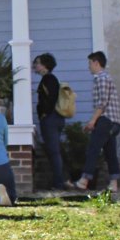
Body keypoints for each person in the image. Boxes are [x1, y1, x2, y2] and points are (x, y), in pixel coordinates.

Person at [75, 51, 120, 192]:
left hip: (105, 119)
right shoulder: (106, 78)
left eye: (90, 63)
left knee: (93, 149)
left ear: (96, 62)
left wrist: (93, 121)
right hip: (114, 121)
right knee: (110, 152)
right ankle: (114, 183)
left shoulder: (101, 78)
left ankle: (84, 180)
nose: (89, 66)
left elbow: (102, 102)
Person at [33, 53, 71, 190]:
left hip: (51, 119)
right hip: (54, 119)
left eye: (37, 63)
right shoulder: (49, 79)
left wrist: (44, 114)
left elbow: (51, 98)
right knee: (55, 150)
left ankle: (59, 183)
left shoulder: (48, 79)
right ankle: (62, 180)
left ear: (45, 65)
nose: (35, 66)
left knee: (54, 151)